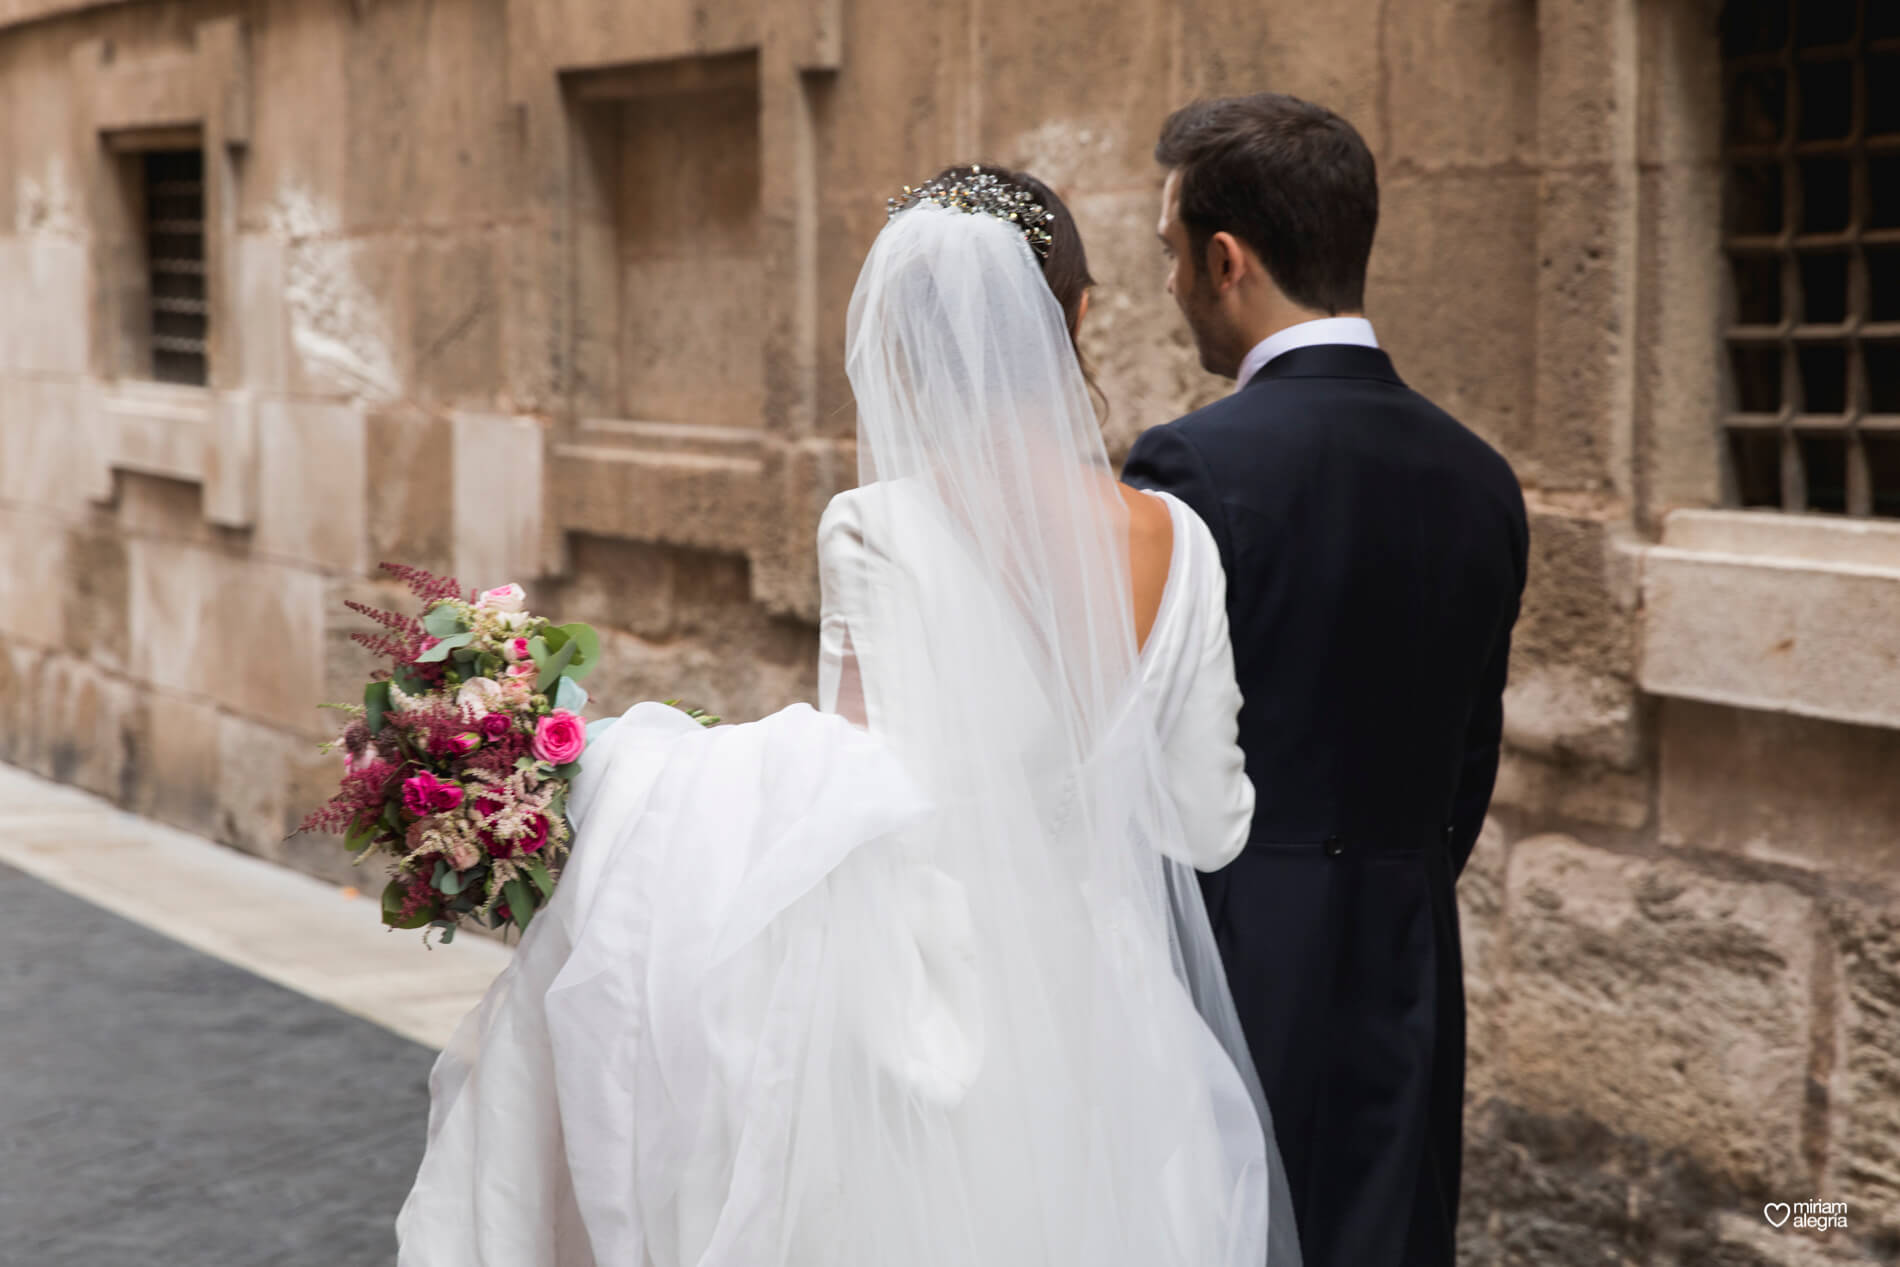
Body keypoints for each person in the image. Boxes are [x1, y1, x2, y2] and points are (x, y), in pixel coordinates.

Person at [395, 165, 1299, 1267]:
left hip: (930, 1003)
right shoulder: (1183, 542)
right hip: (1113, 1025)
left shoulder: (874, 526)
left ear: (903, 341)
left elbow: (854, 792)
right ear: (1077, 313)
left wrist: (637, 783)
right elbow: (1208, 828)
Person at [1123, 94, 1529, 1267]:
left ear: (1225, 260)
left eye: (1169, 257)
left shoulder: (1191, 460)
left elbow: (1160, 734)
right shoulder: (1481, 475)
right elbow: (1468, 760)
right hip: (1409, 943)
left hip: (1237, 943)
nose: (1167, 286)